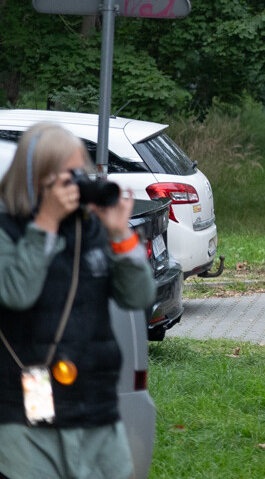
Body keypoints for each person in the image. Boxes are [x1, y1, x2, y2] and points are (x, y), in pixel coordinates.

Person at [0, 123, 156, 479]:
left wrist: (120, 235)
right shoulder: (8, 232)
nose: (80, 184)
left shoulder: (91, 229)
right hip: (27, 413)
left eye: (82, 174)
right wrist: (45, 223)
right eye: (70, 176)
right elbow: (17, 293)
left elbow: (139, 296)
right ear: (39, 178)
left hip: (96, 405)